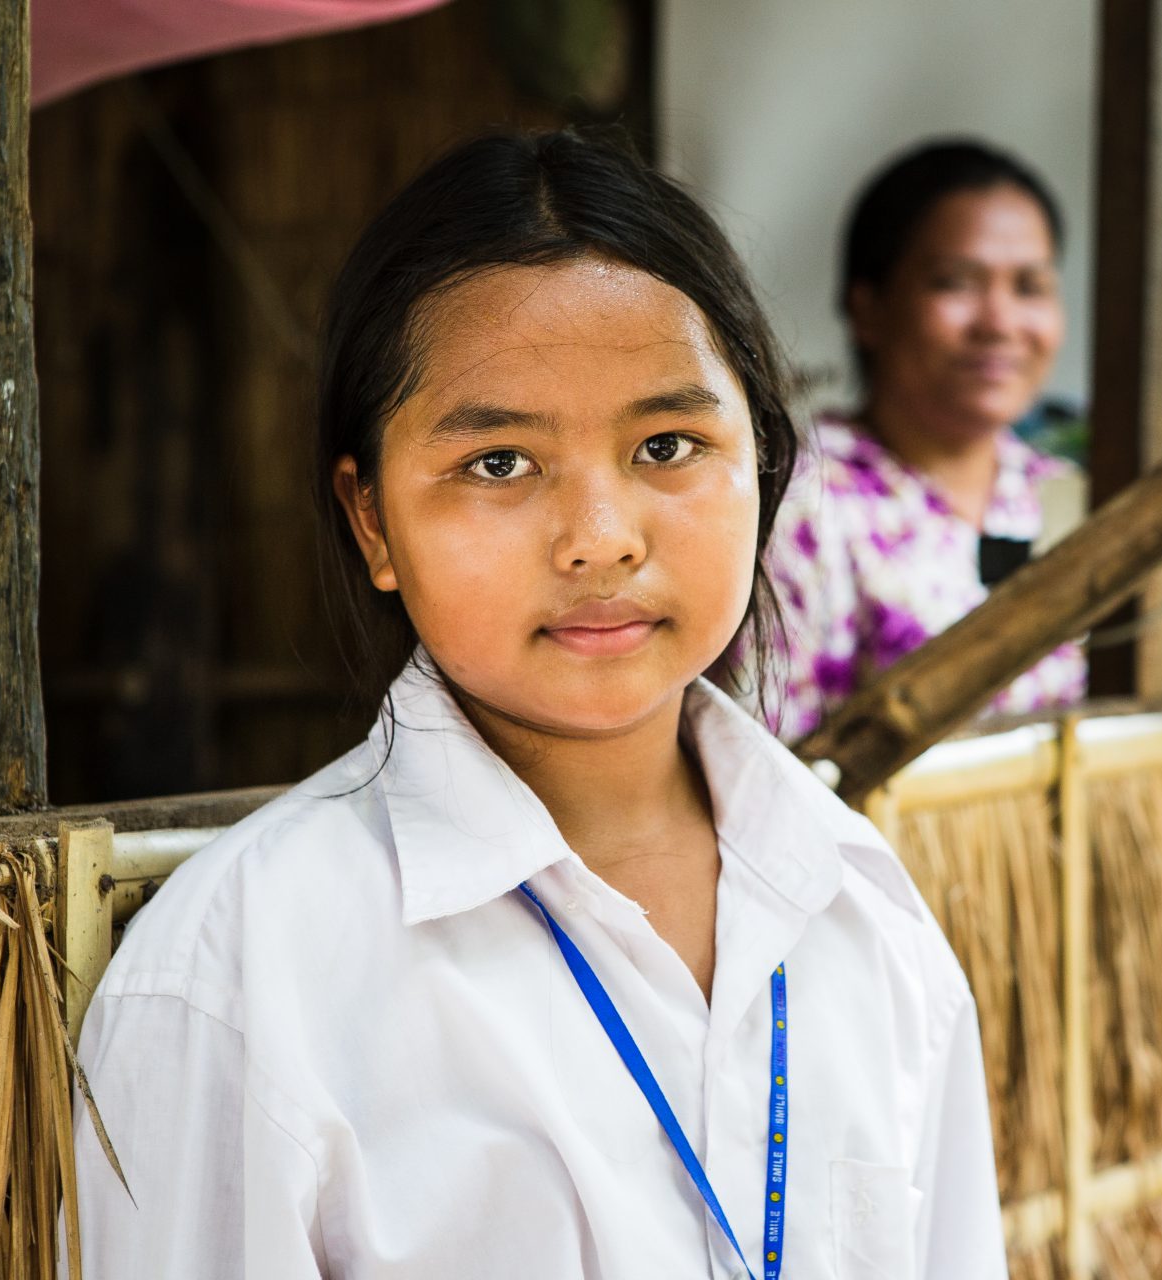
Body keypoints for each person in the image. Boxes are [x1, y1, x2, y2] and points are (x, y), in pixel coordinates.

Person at [71, 130, 1006, 1279]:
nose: (600, 538)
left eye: (668, 444)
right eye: (500, 462)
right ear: (372, 522)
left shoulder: (867, 917)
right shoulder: (248, 971)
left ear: (762, 465)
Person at [758, 140, 1087, 742]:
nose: (1000, 324)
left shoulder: (1057, 494)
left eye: (1030, 286)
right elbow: (775, 768)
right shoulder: (800, 504)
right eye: (955, 283)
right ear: (869, 309)